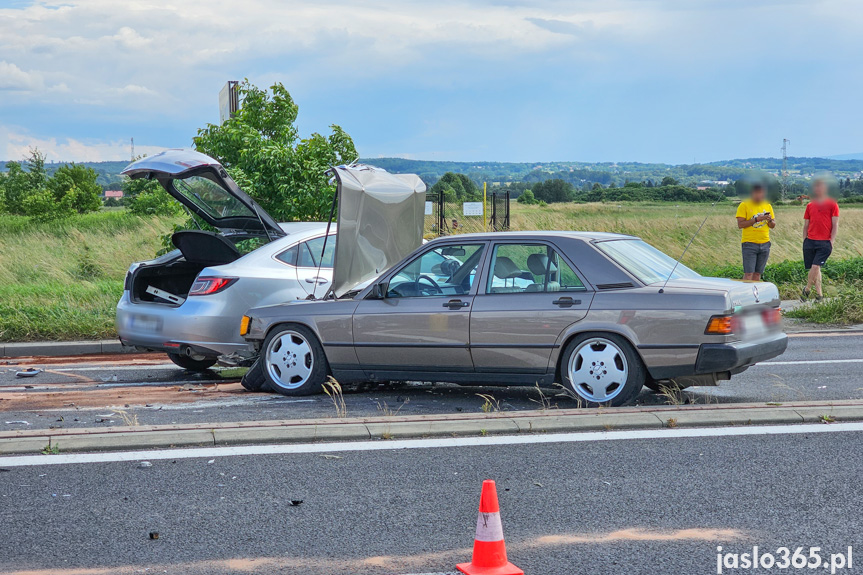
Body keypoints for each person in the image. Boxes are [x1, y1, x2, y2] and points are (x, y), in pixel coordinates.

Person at [802, 178, 839, 301]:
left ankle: (807, 289)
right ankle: (819, 295)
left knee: (815, 267)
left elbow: (835, 225)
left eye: (821, 187)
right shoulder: (810, 205)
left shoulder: (832, 204)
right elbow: (806, 224)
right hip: (810, 240)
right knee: (815, 269)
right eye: (816, 187)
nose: (818, 189)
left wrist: (831, 241)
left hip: (824, 242)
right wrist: (804, 239)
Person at [735, 183, 775, 281]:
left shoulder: (767, 205)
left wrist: (769, 220)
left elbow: (773, 225)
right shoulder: (744, 205)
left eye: (763, 193)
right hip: (749, 243)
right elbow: (741, 225)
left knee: (757, 274)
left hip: (765, 243)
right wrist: (757, 219)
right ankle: (746, 294)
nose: (761, 196)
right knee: (749, 274)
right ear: (753, 193)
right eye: (759, 193)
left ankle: (755, 295)